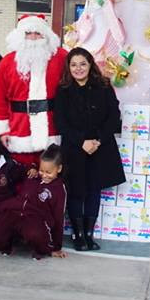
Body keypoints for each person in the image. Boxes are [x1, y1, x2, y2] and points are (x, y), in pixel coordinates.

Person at [54, 47, 126, 251]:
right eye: (74, 64)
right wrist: (81, 142)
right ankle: (77, 235)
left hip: (100, 148)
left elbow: (114, 117)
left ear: (90, 65)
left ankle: (89, 233)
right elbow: (61, 122)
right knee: (77, 191)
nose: (78, 68)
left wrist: (98, 140)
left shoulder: (103, 86)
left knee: (94, 190)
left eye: (83, 64)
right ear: (69, 67)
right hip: (74, 148)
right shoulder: (63, 89)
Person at [0, 15, 69, 166]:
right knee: (20, 178)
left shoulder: (61, 57)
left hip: (52, 130)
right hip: (19, 130)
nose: (33, 38)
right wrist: (2, 131)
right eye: (28, 33)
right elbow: (0, 99)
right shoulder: (7, 62)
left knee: (52, 178)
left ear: (46, 35)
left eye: (38, 33)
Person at [0, 144, 68, 260]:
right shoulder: (33, 176)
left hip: (36, 218)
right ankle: (8, 244)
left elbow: (58, 218)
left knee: (35, 234)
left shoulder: (58, 189)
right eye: (41, 170)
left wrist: (56, 247)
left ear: (59, 169)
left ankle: (39, 249)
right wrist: (30, 169)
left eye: (49, 172)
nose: (44, 175)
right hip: (14, 212)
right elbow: (14, 170)